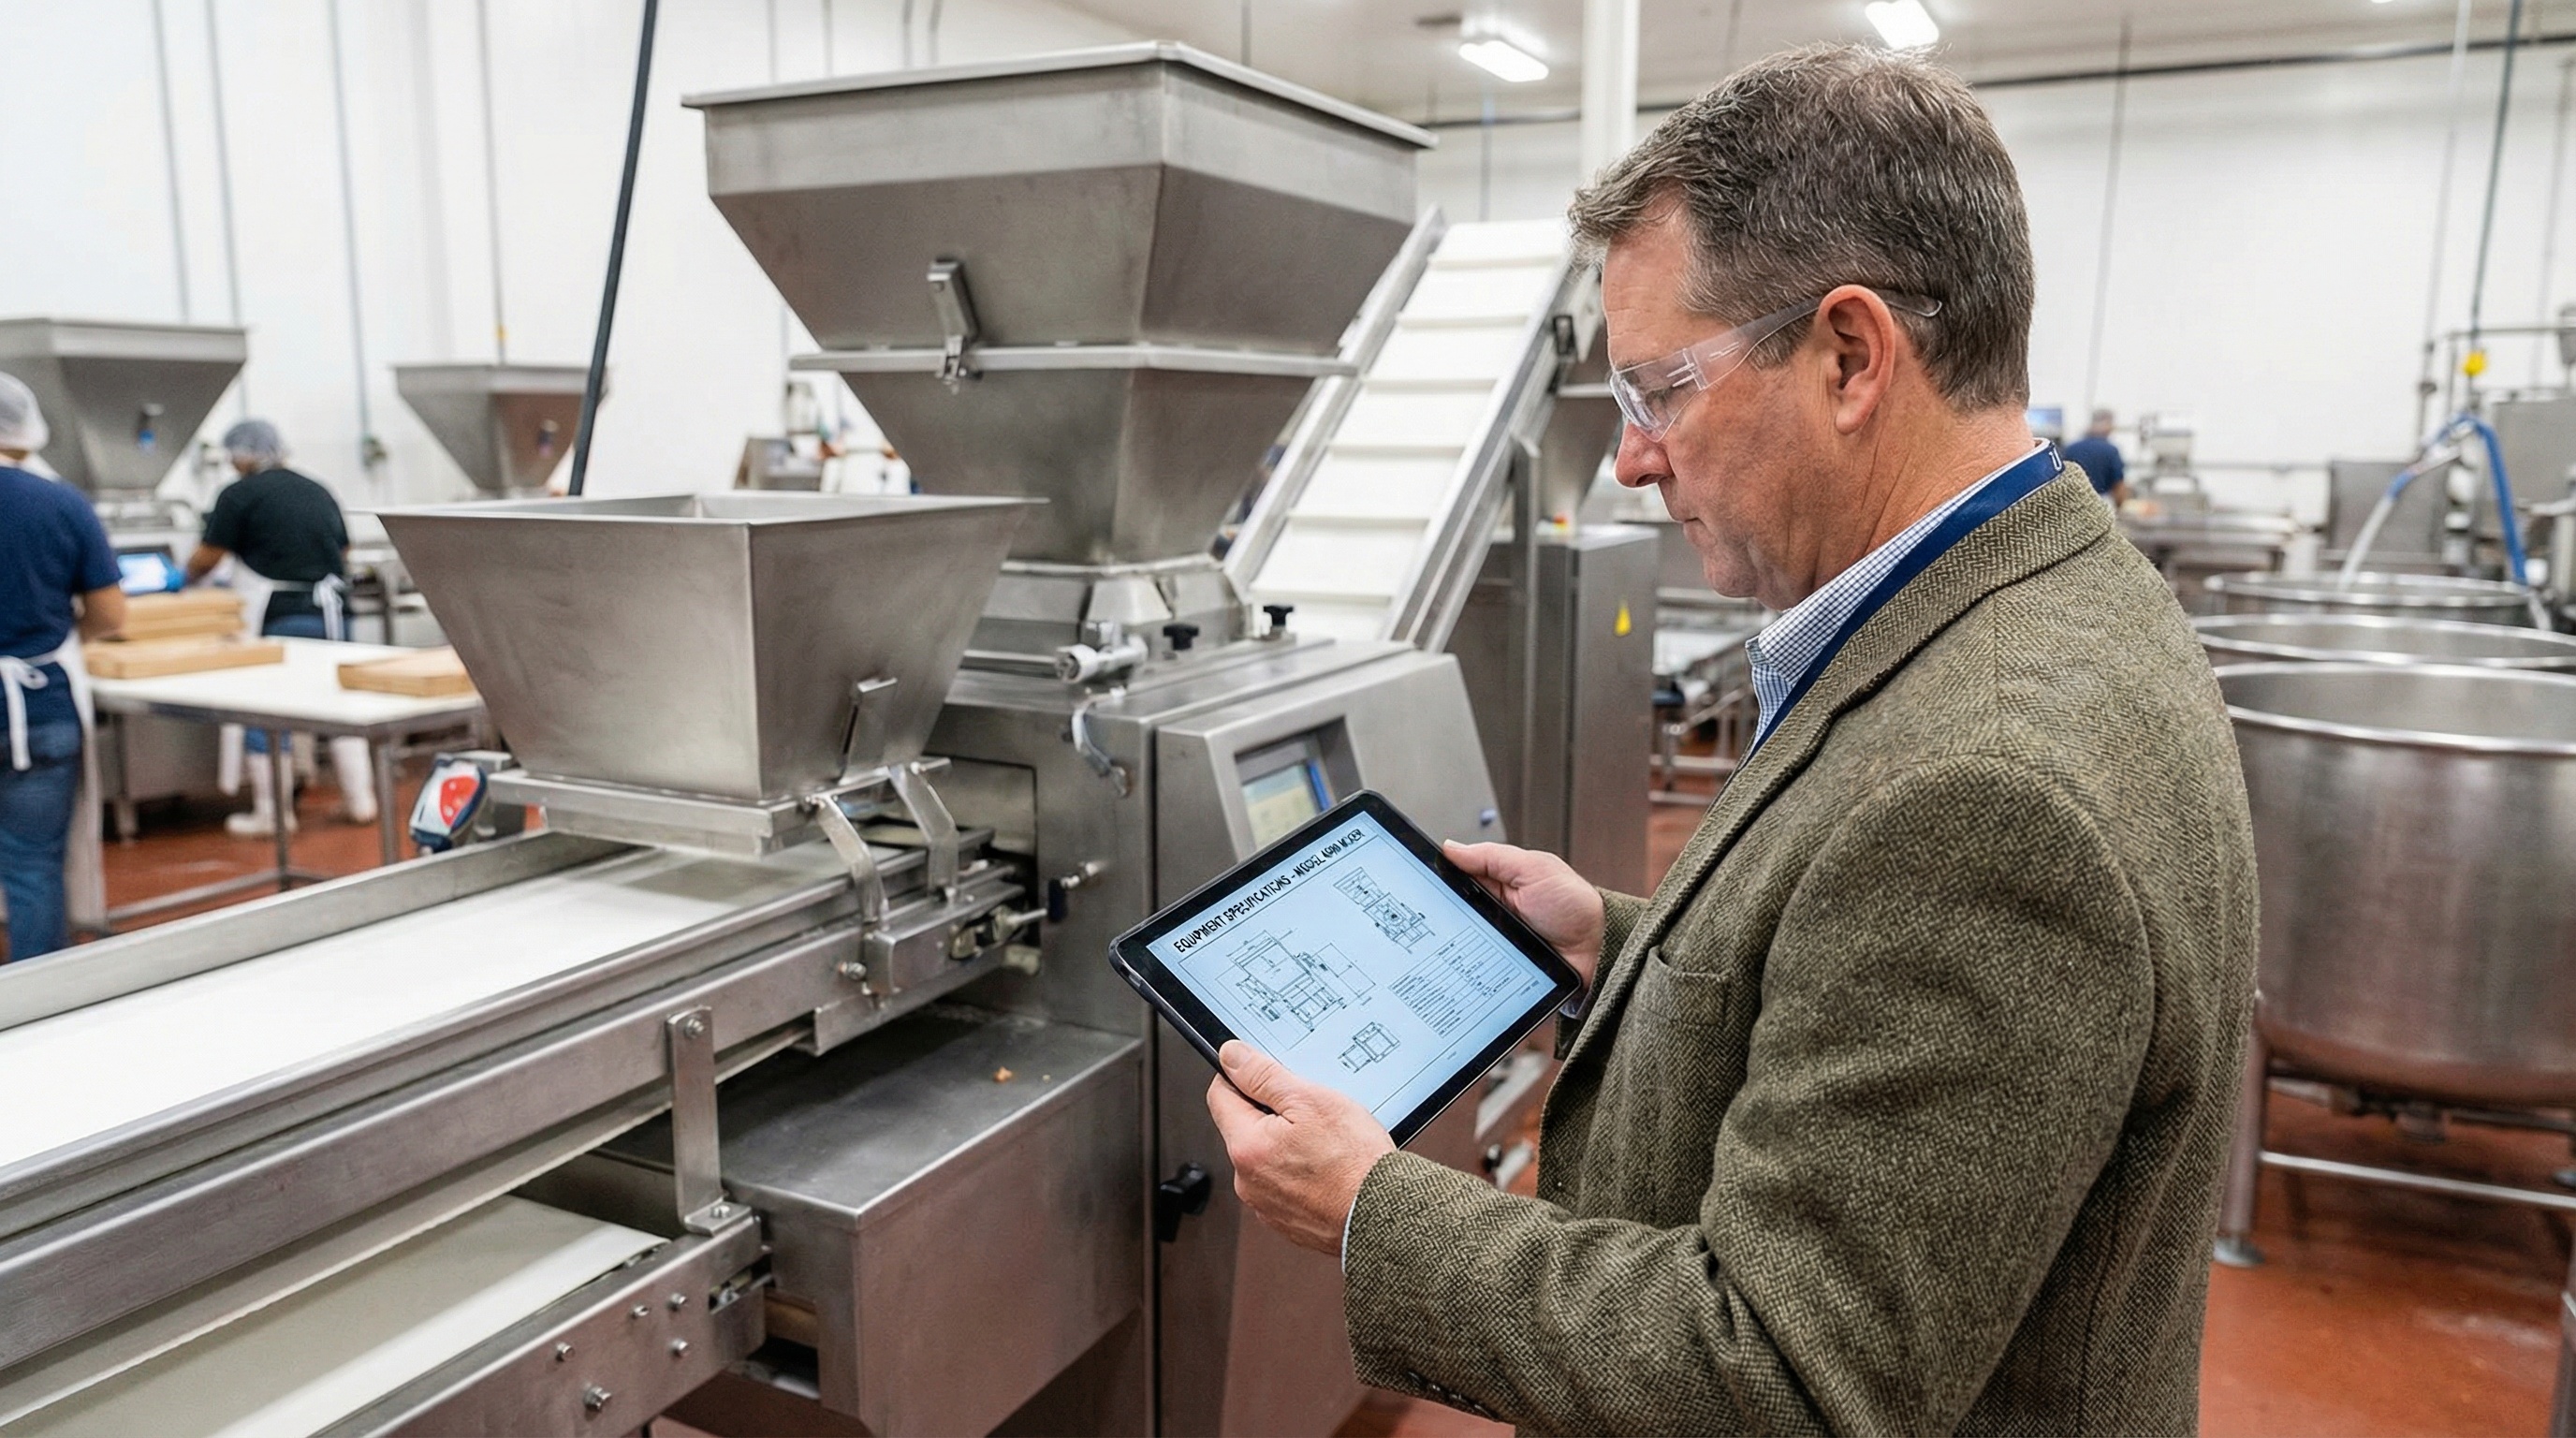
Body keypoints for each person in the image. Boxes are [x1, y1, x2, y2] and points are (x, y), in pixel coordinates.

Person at [1207, 46, 2256, 1434]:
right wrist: (1619, 949)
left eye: (1661, 392)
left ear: (1849, 356)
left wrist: (1372, 1216)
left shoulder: (1988, 791)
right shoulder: (2045, 596)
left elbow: (1783, 1374)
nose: (1634, 458)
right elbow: (1867, 970)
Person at [186, 420, 374, 835]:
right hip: (334, 613)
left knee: (268, 711)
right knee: (342, 706)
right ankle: (361, 801)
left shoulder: (238, 495)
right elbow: (343, 549)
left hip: (284, 615)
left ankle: (273, 814)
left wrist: (182, 581)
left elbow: (208, 557)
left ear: (241, 454)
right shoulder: (316, 488)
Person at [0, 373, 124, 960]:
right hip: (38, 705)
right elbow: (109, 611)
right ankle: (39, 1005)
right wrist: (63, 637)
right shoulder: (60, 502)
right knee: (31, 864)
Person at [2065, 406, 2129, 503]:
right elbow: (2118, 485)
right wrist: (2120, 505)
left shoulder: (2071, 448)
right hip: (2102, 502)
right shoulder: (2110, 450)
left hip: (2075, 503)